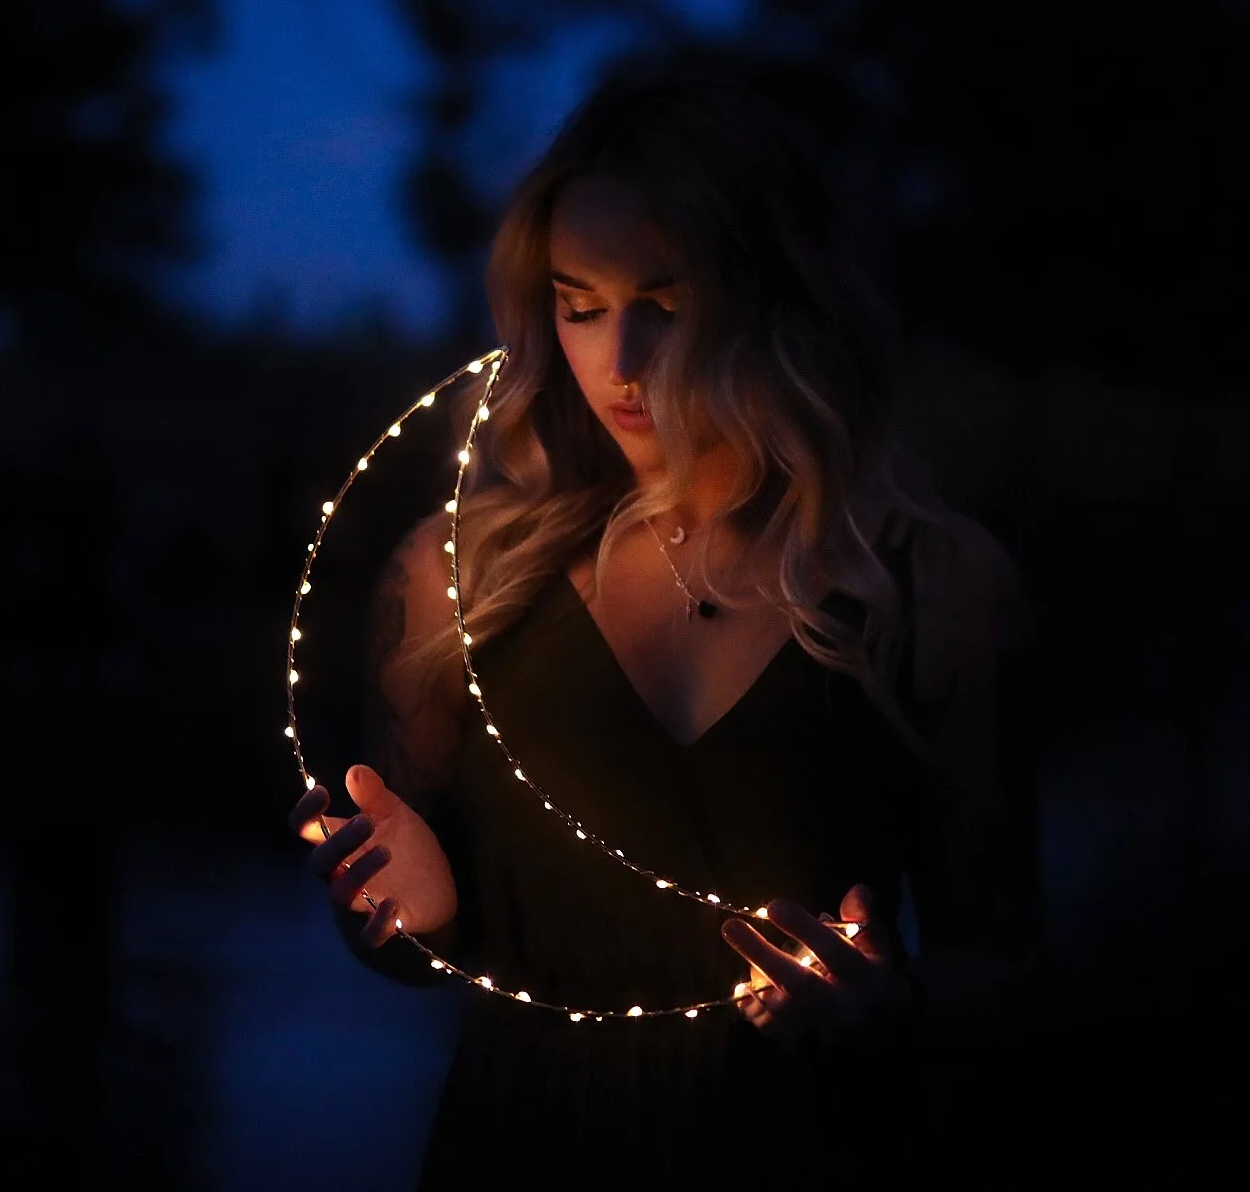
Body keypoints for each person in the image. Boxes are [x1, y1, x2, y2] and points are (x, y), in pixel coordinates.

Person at [290, 64, 1036, 1187]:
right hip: (525, 1145)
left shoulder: (927, 584)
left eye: (666, 304)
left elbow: (1018, 958)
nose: (619, 363)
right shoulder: (454, 582)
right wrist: (406, 916)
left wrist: (894, 999)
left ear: (774, 296)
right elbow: (429, 958)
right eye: (577, 304)